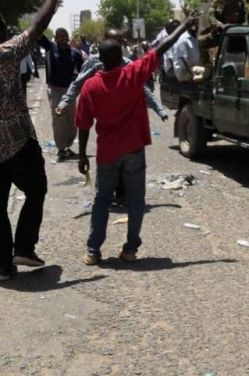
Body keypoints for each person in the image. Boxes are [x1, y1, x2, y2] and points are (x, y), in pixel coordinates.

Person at [76, 17, 193, 266]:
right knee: (136, 200)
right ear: (121, 56)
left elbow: (83, 125)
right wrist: (184, 26)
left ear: (100, 59)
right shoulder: (133, 75)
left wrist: (82, 155)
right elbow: (161, 48)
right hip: (134, 148)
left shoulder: (90, 87)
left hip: (107, 152)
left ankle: (93, 251)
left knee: (101, 200)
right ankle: (130, 250)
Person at [0, 0, 60, 280]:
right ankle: (23, 247)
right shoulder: (7, 53)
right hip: (18, 142)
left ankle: (2, 264)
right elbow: (39, 24)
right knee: (36, 189)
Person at [54, 28, 168, 121]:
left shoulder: (128, 64)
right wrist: (64, 103)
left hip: (125, 114)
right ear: (105, 41)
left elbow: (142, 88)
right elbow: (78, 84)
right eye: (114, 41)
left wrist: (160, 110)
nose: (117, 45)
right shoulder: (94, 62)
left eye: (119, 42)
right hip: (104, 114)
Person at [38, 27, 84, 161]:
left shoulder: (75, 53)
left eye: (66, 36)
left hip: (70, 90)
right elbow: (38, 34)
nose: (64, 39)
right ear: (56, 38)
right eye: (61, 36)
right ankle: (61, 148)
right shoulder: (50, 48)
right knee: (58, 117)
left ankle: (68, 146)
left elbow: (83, 71)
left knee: (71, 119)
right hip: (55, 89)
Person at [198, 0, 246, 67]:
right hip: (221, 33)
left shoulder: (240, 1)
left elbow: (244, 18)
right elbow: (210, 16)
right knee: (201, 41)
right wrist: (220, 25)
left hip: (237, 33)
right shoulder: (218, 1)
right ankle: (207, 65)